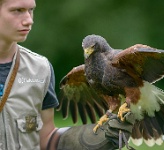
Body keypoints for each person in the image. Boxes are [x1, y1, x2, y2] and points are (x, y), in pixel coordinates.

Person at [0, 0, 133, 149]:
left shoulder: (39, 68)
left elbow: (45, 139)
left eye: (31, 10)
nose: (29, 20)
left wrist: (88, 140)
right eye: (17, 10)